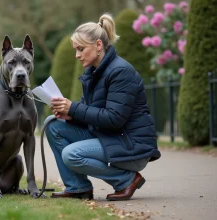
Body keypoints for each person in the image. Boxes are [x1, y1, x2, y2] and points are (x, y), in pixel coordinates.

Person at [44, 13, 161, 201]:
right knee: (53, 125)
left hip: (131, 145)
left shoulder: (120, 72)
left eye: (81, 49)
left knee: (71, 154)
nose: (77, 55)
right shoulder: (93, 73)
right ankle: (77, 187)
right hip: (109, 137)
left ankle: (126, 180)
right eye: (75, 50)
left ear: (98, 45)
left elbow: (114, 118)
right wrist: (69, 115)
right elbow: (91, 113)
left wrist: (73, 108)